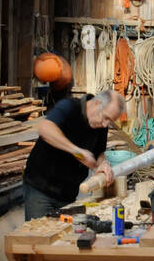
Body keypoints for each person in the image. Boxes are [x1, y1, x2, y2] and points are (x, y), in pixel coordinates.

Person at [23, 89, 126, 220]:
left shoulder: (101, 125)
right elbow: (45, 128)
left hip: (68, 192)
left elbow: (99, 152)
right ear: (96, 103)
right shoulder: (69, 107)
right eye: (106, 117)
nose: (105, 124)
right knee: (39, 235)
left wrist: (103, 164)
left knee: (64, 234)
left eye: (110, 121)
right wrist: (77, 151)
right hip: (41, 188)